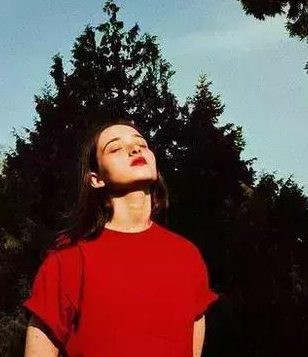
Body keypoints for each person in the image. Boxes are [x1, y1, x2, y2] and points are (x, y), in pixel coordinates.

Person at [22, 119, 220, 356]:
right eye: (115, 148)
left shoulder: (187, 255)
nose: (135, 149)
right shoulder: (70, 256)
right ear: (96, 178)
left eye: (142, 145)